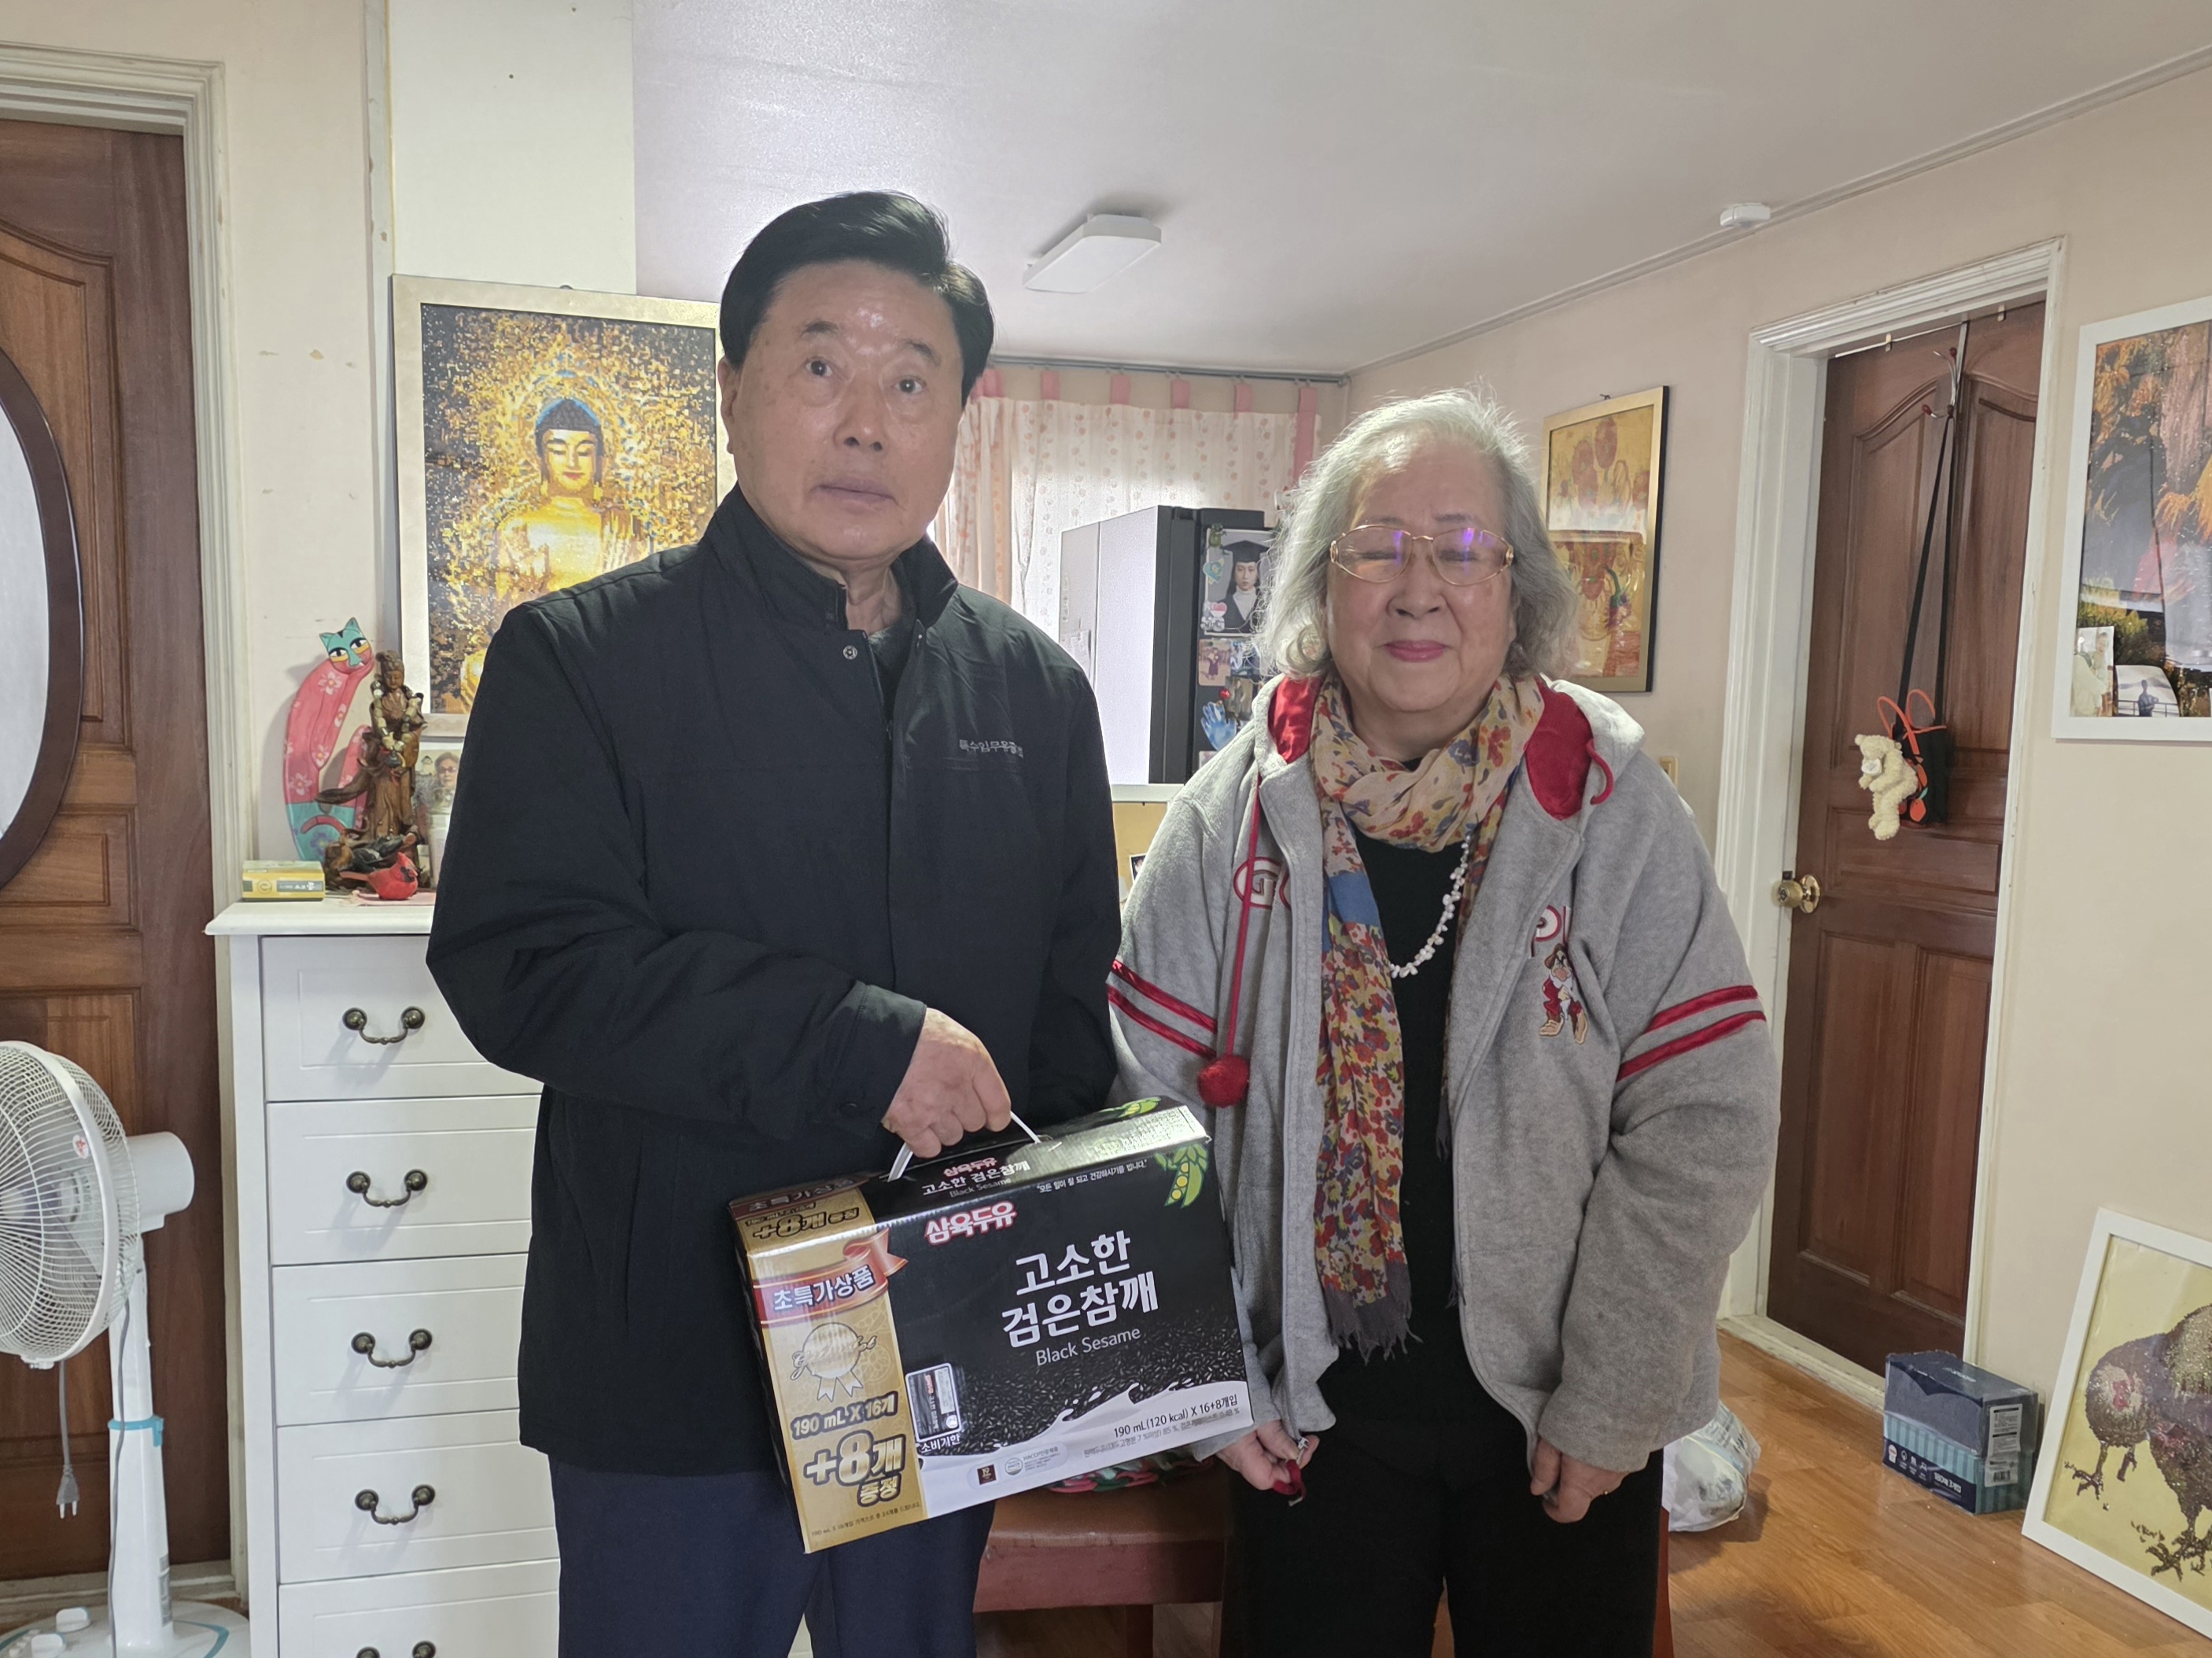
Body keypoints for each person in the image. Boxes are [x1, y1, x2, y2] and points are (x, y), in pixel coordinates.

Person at [428, 192, 1120, 1658]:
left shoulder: (1036, 693)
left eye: (913, 382)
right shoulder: (583, 660)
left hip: (935, 1350)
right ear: (734, 389)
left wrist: (1093, 1301)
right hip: (675, 1359)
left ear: (957, 422)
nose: (866, 423)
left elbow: (1065, 1035)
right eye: (820, 366)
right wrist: (860, 1045)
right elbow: (525, 967)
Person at [1110, 389, 1779, 1656]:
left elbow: (1707, 1117)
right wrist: (1210, 1378)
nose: (1420, 589)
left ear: (1517, 590)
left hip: (1559, 1414)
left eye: (1464, 549)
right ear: (1322, 583)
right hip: (1307, 1417)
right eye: (1378, 548)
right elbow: (1144, 1118)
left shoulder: (1613, 807)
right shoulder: (1223, 822)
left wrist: (1616, 1392)